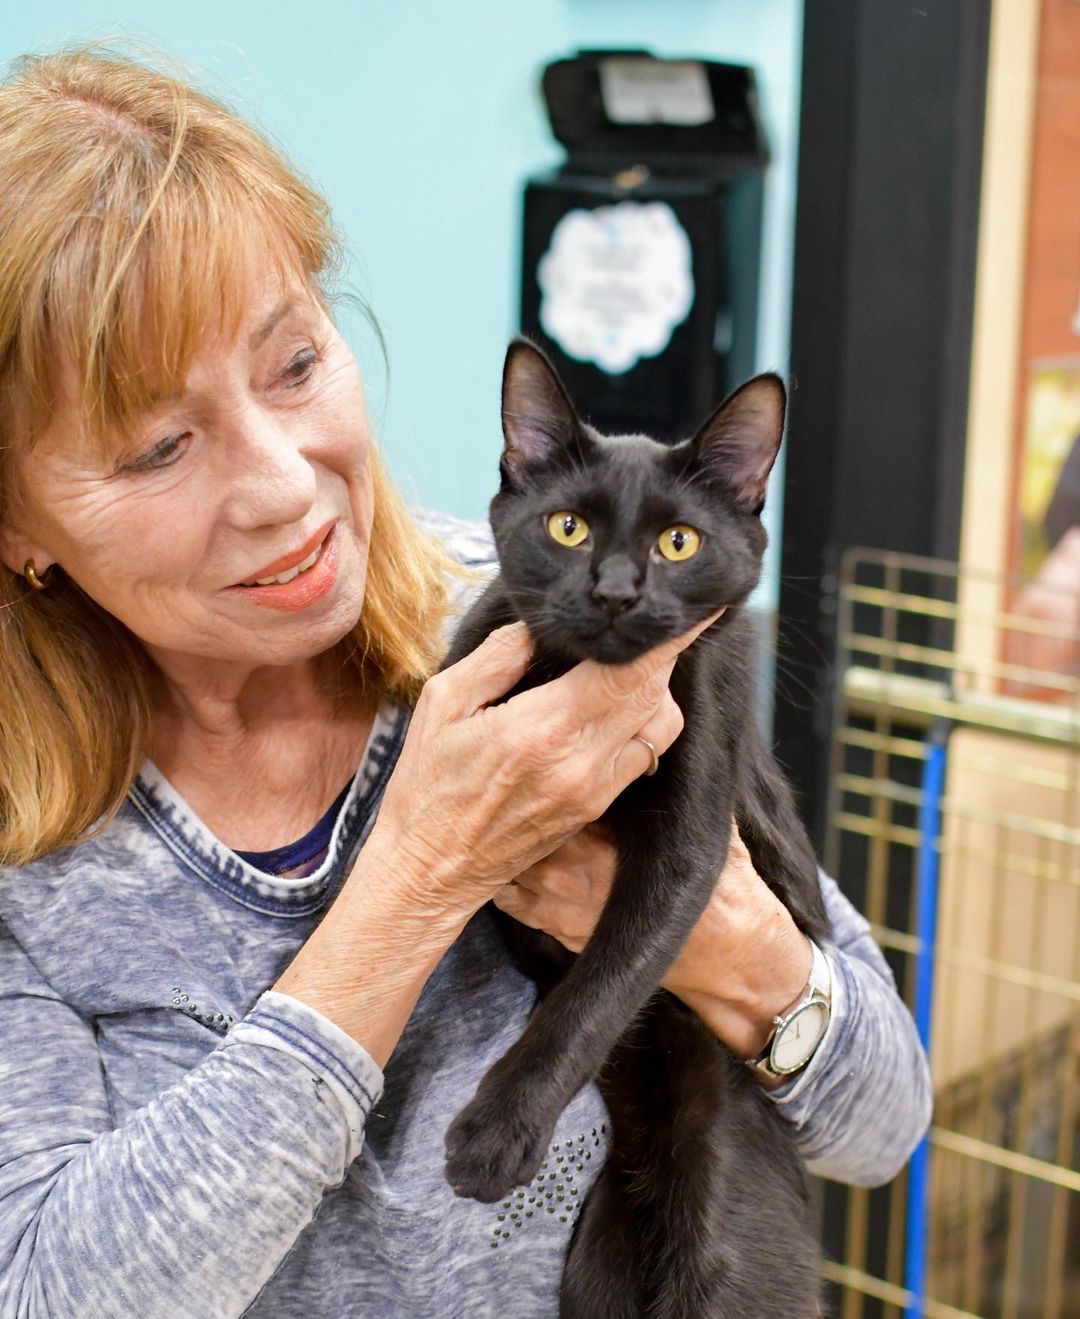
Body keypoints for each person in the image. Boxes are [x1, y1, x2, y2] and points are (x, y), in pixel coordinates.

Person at [0, 46, 931, 1319]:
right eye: (161, 444)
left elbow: (883, 1117)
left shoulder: (552, 626)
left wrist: (733, 943)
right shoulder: (27, 860)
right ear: (19, 523)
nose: (283, 483)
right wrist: (418, 870)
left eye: (293, 365)